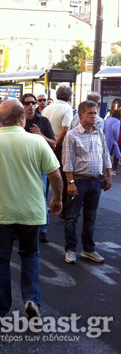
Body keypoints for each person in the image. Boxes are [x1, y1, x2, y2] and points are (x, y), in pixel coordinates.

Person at [0, 99, 62, 320]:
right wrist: (57, 199)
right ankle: (31, 299)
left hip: (1, 213)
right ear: (21, 118)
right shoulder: (36, 141)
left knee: (0, 259)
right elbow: (55, 174)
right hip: (31, 212)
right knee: (30, 255)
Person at [62, 100, 113, 264]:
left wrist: (108, 175)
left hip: (95, 182)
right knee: (72, 217)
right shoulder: (72, 135)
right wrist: (70, 182)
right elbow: (67, 162)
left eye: (95, 113)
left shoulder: (99, 133)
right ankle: (70, 249)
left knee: (90, 218)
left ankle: (88, 249)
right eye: (90, 113)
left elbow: (105, 155)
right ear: (81, 115)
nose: (94, 116)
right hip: (79, 181)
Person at [21, 94, 56, 243]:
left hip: (39, 164)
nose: (31, 105)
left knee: (41, 196)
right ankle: (21, 227)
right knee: (21, 196)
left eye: (33, 102)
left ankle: (43, 229)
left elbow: (53, 143)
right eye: (27, 103)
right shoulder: (19, 122)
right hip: (21, 164)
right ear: (22, 105)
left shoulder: (43, 121)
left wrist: (40, 135)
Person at [42, 86, 74, 217]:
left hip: (44, 143)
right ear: (70, 97)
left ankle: (43, 204)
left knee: (44, 176)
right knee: (61, 177)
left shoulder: (47, 108)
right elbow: (65, 130)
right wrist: (56, 144)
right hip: (58, 145)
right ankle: (62, 207)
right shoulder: (67, 108)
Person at [104, 110, 120, 175]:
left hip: (105, 138)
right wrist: (117, 138)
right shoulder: (117, 121)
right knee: (110, 156)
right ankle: (108, 171)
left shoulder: (108, 119)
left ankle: (105, 170)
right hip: (112, 140)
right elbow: (116, 131)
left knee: (106, 155)